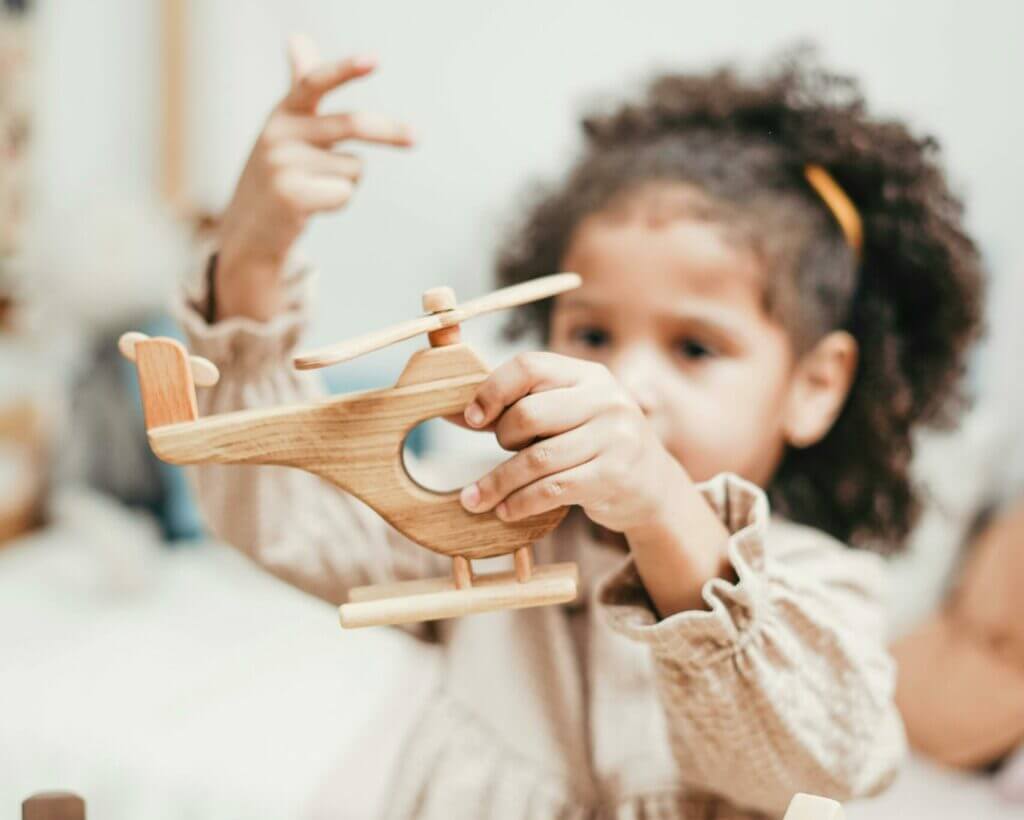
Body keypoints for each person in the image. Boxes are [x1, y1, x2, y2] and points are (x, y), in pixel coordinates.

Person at [176, 36, 984, 818]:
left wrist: (664, 506)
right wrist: (249, 260)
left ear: (815, 385)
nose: (621, 383)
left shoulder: (816, 591)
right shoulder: (484, 520)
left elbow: (813, 762)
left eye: (694, 347)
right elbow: (276, 514)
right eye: (592, 335)